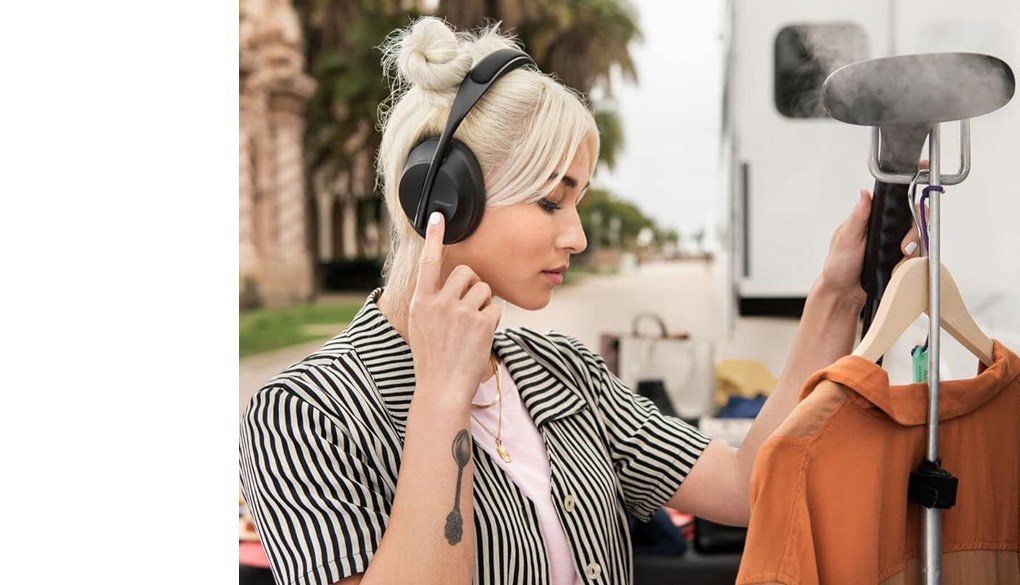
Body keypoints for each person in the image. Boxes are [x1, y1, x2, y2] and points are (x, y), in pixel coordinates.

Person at [238, 16, 920, 585]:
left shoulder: (562, 370)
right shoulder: (301, 416)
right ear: (441, 197)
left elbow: (746, 483)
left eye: (581, 199)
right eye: (550, 198)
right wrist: (442, 396)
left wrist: (836, 294)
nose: (578, 234)